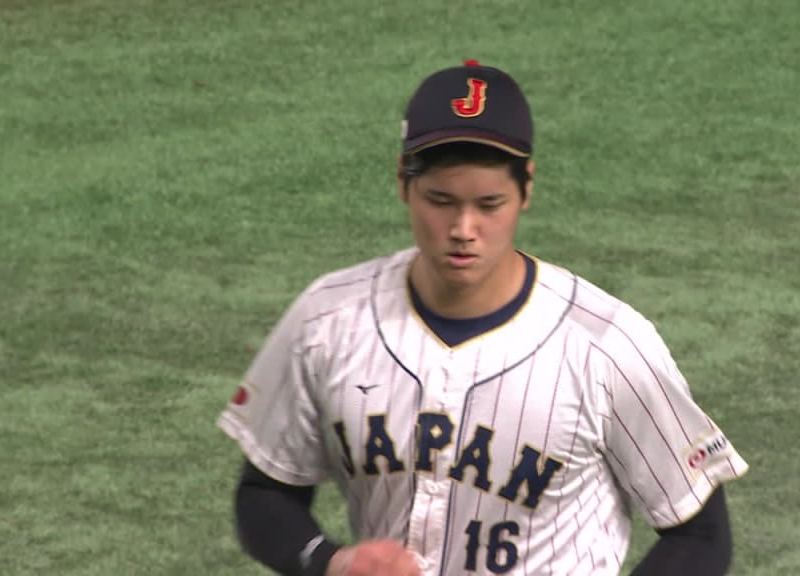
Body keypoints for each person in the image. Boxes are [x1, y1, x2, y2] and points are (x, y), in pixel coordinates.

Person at [217, 59, 749, 576]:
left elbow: (700, 534)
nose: (463, 228)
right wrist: (331, 562)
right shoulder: (328, 321)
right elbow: (265, 492)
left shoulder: (606, 346)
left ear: (526, 190)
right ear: (403, 183)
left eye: (489, 204)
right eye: (440, 200)